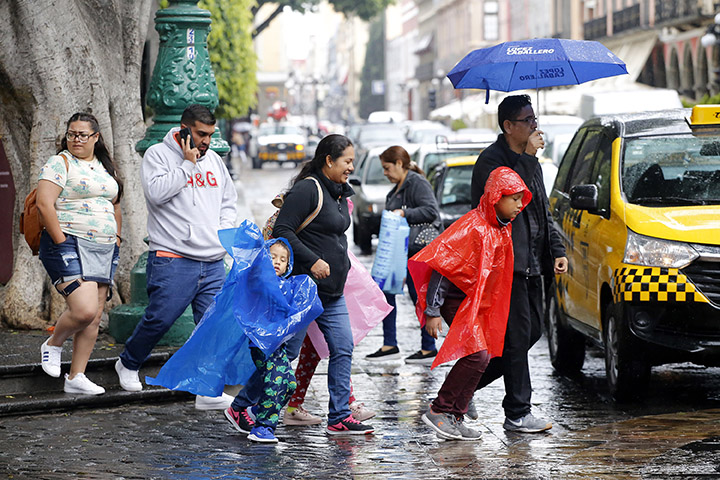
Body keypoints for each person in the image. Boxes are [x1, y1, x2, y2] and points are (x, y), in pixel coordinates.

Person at [230, 134, 374, 435]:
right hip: (302, 293)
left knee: (342, 347)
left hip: (331, 294)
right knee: (285, 356)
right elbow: (283, 229)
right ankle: (241, 405)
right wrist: (313, 261)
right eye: (347, 161)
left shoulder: (338, 193)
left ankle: (339, 416)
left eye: (352, 161)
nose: (351, 166)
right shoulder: (308, 190)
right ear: (329, 161)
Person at [115, 104, 238, 411]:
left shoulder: (215, 162)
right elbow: (156, 194)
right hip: (174, 256)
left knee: (212, 324)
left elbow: (228, 201)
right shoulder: (158, 155)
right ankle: (128, 363)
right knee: (160, 318)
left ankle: (206, 388)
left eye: (210, 134)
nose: (206, 141)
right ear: (184, 130)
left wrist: (222, 233)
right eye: (200, 134)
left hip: (212, 260)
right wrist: (186, 164)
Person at [469, 94, 568, 433]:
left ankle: (464, 386)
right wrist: (526, 158)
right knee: (516, 337)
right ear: (508, 125)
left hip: (533, 263)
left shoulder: (532, 161)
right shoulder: (491, 161)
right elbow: (507, 202)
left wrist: (557, 248)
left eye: (534, 118)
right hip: (506, 264)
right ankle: (517, 412)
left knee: (531, 333)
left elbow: (541, 207)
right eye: (527, 120)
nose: (534, 125)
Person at [410, 167, 531, 440]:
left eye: (522, 199)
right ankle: (440, 410)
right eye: (514, 199)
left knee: (482, 356)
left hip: (473, 302)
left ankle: (454, 415)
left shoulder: (500, 228)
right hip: (455, 301)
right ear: (496, 197)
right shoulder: (473, 227)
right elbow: (443, 266)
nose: (519, 206)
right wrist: (432, 311)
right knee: (477, 355)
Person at [37, 112, 123, 395]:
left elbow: (115, 204)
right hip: (69, 242)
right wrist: (61, 240)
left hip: (104, 246)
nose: (76, 139)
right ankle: (53, 344)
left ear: (96, 137)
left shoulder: (105, 167)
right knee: (84, 309)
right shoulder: (59, 163)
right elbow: (44, 204)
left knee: (96, 316)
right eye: (72, 134)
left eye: (83, 134)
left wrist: (118, 239)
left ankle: (76, 376)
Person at [365, 146, 441, 364]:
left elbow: (431, 211)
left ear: (399, 163)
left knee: (419, 297)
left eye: (387, 168)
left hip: (418, 252)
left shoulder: (416, 182)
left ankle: (428, 348)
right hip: (400, 252)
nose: (385, 173)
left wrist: (404, 213)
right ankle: (390, 344)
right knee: (386, 292)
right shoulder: (398, 186)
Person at [226, 239, 299, 443]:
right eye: (272, 257)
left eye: (283, 260)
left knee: (289, 384)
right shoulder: (258, 280)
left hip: (278, 345)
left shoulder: (285, 285)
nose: (277, 262)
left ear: (288, 266)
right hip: (261, 344)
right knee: (274, 381)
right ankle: (263, 427)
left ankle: (258, 410)